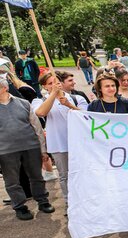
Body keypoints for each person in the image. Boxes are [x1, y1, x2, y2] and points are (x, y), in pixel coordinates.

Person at [0, 76, 54, 220]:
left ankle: (43, 201)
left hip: (31, 147)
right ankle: (20, 207)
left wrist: (43, 150)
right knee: (12, 181)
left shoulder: (24, 103)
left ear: (4, 88)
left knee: (37, 176)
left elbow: (37, 127)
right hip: (5, 151)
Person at [33, 72, 88, 201]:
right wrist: (53, 94)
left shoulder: (76, 98)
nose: (54, 85)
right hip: (59, 144)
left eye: (56, 82)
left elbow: (87, 117)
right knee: (65, 175)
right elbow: (40, 113)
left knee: (83, 172)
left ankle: (86, 199)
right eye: (50, 83)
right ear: (44, 87)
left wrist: (69, 105)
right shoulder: (39, 101)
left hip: (79, 142)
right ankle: (70, 202)